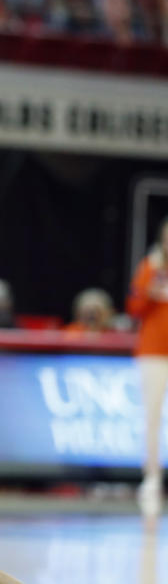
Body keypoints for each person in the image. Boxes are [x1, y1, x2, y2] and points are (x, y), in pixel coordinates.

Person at [127, 217, 168, 518]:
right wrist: (153, 284)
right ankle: (152, 477)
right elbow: (135, 307)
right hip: (153, 352)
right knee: (152, 417)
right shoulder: (150, 267)